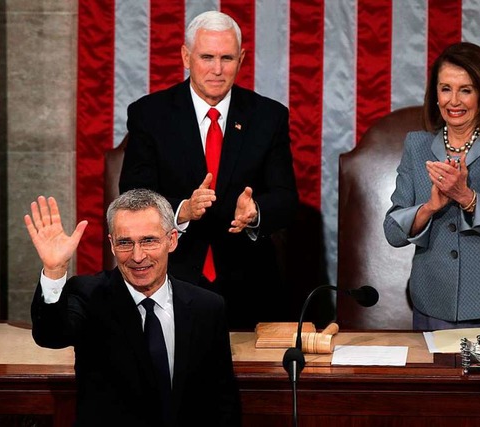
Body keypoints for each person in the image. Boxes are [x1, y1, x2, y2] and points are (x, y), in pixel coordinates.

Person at [119, 11, 298, 329]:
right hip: (169, 276)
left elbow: (286, 199)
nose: (217, 69)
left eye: (227, 58)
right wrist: (181, 210)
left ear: (241, 59)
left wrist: (255, 211)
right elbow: (133, 196)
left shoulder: (268, 117)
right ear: (186, 56)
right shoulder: (150, 115)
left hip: (249, 283)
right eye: (207, 57)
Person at [26, 189, 241, 427]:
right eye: (125, 243)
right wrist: (55, 270)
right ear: (111, 245)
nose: (137, 256)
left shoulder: (207, 307)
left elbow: (223, 400)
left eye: (148, 240)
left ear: (171, 240)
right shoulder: (89, 294)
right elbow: (51, 334)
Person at [383, 42, 480, 332]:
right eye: (445, 89)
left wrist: (466, 197)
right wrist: (429, 208)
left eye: (466, 90)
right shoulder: (416, 145)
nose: (454, 101)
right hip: (433, 299)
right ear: (435, 95)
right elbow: (393, 232)